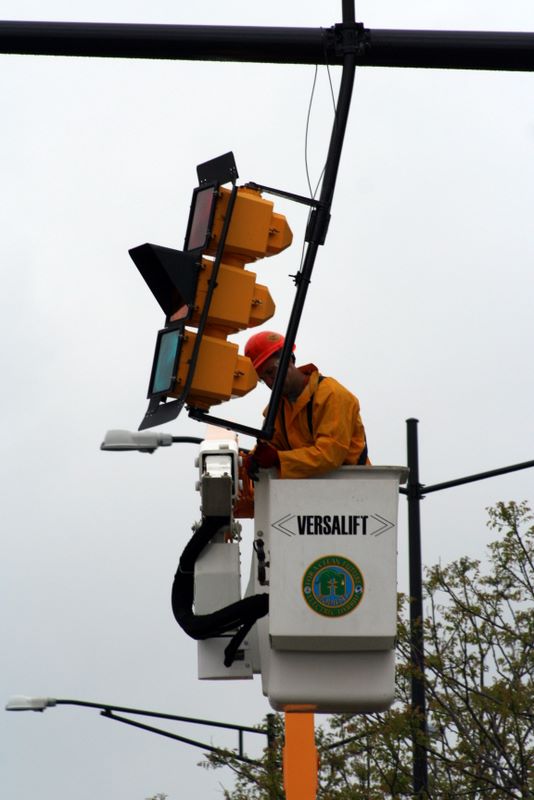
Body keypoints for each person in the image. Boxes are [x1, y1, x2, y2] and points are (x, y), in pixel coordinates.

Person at [243, 331, 370, 480]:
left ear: (289, 359)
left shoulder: (332, 395)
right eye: (263, 379)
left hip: (354, 489)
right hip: (311, 492)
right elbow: (271, 446)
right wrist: (253, 458)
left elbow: (330, 455)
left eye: (271, 372)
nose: (271, 382)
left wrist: (279, 459)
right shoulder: (277, 409)